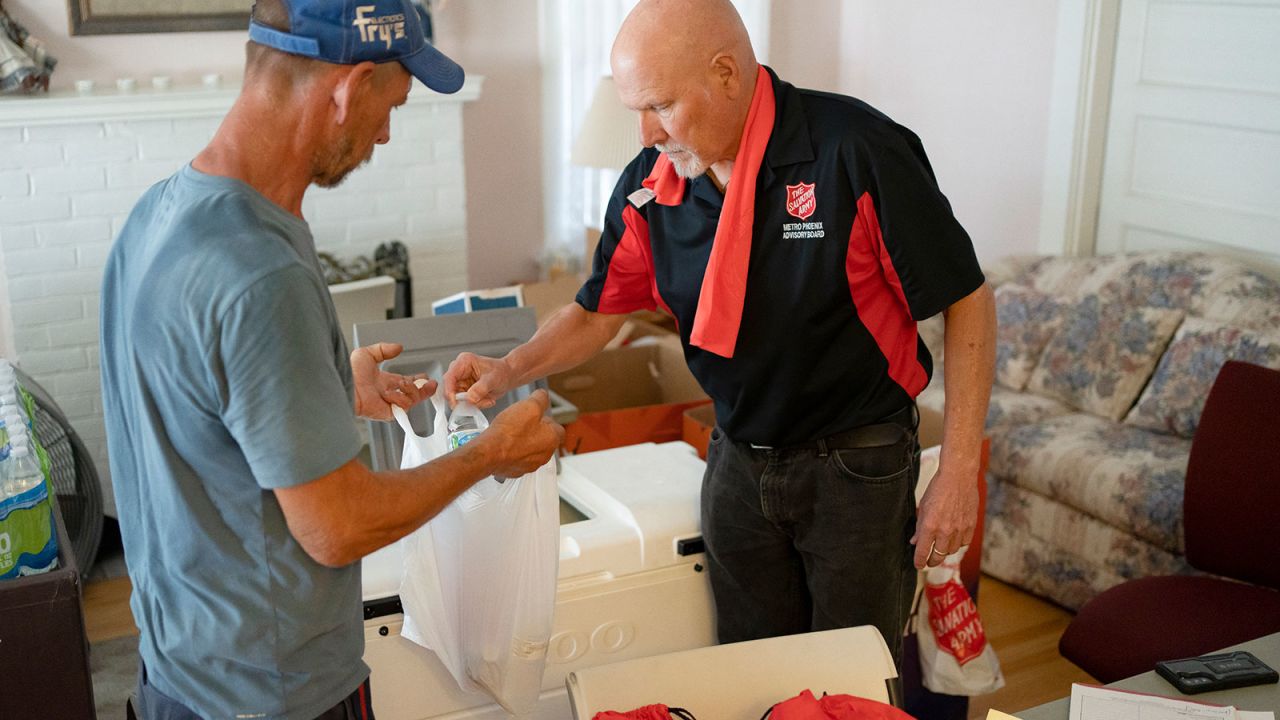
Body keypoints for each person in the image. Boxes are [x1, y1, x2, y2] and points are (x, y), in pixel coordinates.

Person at [444, 0, 995, 664]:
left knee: (852, 683)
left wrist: (959, 468)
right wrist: (510, 369)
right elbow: (597, 312)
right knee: (747, 672)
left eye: (662, 105)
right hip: (736, 458)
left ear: (728, 73)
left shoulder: (853, 149)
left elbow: (966, 298)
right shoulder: (649, 185)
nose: (647, 132)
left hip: (856, 463)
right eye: (636, 112)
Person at [98, 1, 563, 718]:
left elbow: (191, 403)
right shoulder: (262, 273)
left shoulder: (158, 214)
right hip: (275, 695)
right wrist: (489, 454)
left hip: (176, 678)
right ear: (350, 87)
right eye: (391, 107)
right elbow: (337, 527)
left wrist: (321, 390)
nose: (382, 134)